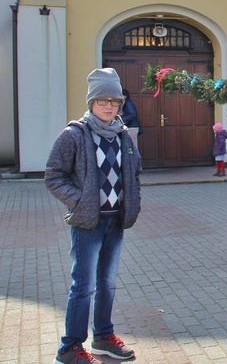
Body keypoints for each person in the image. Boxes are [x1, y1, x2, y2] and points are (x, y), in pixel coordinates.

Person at [45, 68, 142, 364]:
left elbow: (135, 169)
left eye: (115, 100)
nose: (110, 105)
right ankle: (70, 347)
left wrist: (132, 200)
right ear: (91, 102)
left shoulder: (123, 135)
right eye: (103, 100)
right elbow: (53, 175)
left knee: (108, 282)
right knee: (83, 286)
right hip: (88, 223)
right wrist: (80, 201)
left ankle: (102, 337)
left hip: (116, 221)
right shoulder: (74, 134)